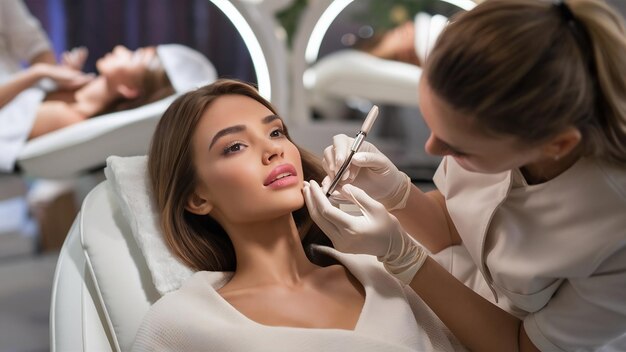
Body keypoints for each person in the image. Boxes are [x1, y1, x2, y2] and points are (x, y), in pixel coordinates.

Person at [303, 0, 626, 351]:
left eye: (457, 147)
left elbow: (521, 347)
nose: (432, 148)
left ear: (557, 144)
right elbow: (450, 224)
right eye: (432, 125)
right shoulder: (480, 117)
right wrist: (396, 191)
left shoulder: (615, 236)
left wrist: (401, 255)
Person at [131, 79, 464, 351]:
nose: (274, 149)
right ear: (196, 198)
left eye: (275, 132)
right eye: (234, 146)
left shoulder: (383, 274)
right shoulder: (179, 325)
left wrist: (403, 243)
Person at [0, 43, 215, 172]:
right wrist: (53, 82)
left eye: (133, 56)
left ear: (130, 89)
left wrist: (39, 72)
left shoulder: (69, 117)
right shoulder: (72, 92)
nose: (120, 49)